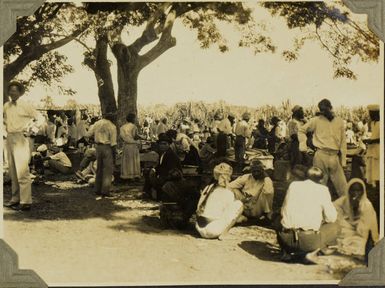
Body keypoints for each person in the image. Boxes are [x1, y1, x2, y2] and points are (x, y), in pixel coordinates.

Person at [277, 167, 339, 263]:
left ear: (306, 176)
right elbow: (331, 218)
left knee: (279, 218)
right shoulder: (323, 189)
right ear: (321, 179)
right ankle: (315, 252)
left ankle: (286, 252)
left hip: (287, 240)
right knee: (336, 225)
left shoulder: (293, 185)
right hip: (309, 241)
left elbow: (283, 211)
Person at [298, 99, 347, 197]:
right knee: (319, 183)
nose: (323, 112)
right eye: (321, 110)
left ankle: (347, 206)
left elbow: (343, 142)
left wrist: (343, 160)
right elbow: (301, 130)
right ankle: (317, 206)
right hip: (321, 154)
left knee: (342, 184)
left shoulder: (339, 121)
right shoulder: (316, 120)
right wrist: (303, 146)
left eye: (325, 109)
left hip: (334, 156)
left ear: (330, 107)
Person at [3, 81, 39, 211]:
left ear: (20, 92)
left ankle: (25, 202)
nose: (13, 92)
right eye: (11, 90)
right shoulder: (6, 106)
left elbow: (40, 118)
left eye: (15, 90)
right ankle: (15, 199)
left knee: (22, 170)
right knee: (12, 171)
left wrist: (32, 130)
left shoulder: (26, 105)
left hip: (21, 138)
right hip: (10, 137)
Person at [195, 163, 243, 239]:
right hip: (212, 230)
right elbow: (229, 214)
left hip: (199, 227)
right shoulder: (228, 192)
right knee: (239, 204)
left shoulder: (208, 187)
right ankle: (224, 233)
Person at [334, 178, 379, 257]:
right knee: (340, 232)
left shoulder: (366, 205)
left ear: (363, 191)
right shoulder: (343, 201)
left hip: (361, 232)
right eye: (353, 190)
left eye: (358, 191)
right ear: (348, 190)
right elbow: (336, 211)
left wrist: (358, 209)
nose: (355, 193)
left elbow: (365, 227)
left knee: (361, 243)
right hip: (348, 229)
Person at [86, 112, 117, 198]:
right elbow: (113, 143)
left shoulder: (97, 123)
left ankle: (97, 189)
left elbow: (88, 134)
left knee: (99, 168)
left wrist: (95, 138)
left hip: (98, 147)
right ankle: (105, 191)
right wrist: (114, 154)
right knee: (108, 169)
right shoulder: (112, 126)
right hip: (107, 147)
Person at [144, 133, 182, 200]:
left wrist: (158, 175)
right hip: (165, 174)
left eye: (165, 144)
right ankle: (147, 193)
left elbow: (170, 170)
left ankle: (156, 195)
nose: (162, 146)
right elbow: (160, 166)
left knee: (155, 177)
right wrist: (153, 169)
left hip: (172, 176)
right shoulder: (163, 153)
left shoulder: (170, 155)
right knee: (148, 172)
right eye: (161, 144)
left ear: (169, 145)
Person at [120, 113, 141, 181]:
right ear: (132, 119)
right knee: (133, 160)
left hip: (126, 145)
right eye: (135, 118)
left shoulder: (122, 127)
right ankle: (133, 176)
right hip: (133, 145)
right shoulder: (134, 127)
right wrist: (141, 137)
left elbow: (121, 137)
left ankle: (126, 175)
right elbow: (135, 136)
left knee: (127, 160)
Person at [364, 104, 380, 188]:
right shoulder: (373, 123)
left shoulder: (381, 123)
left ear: (376, 113)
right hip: (372, 147)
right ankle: (373, 182)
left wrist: (371, 141)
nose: (370, 116)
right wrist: (369, 140)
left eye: (371, 114)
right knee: (372, 164)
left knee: (377, 164)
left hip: (378, 147)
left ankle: (378, 182)